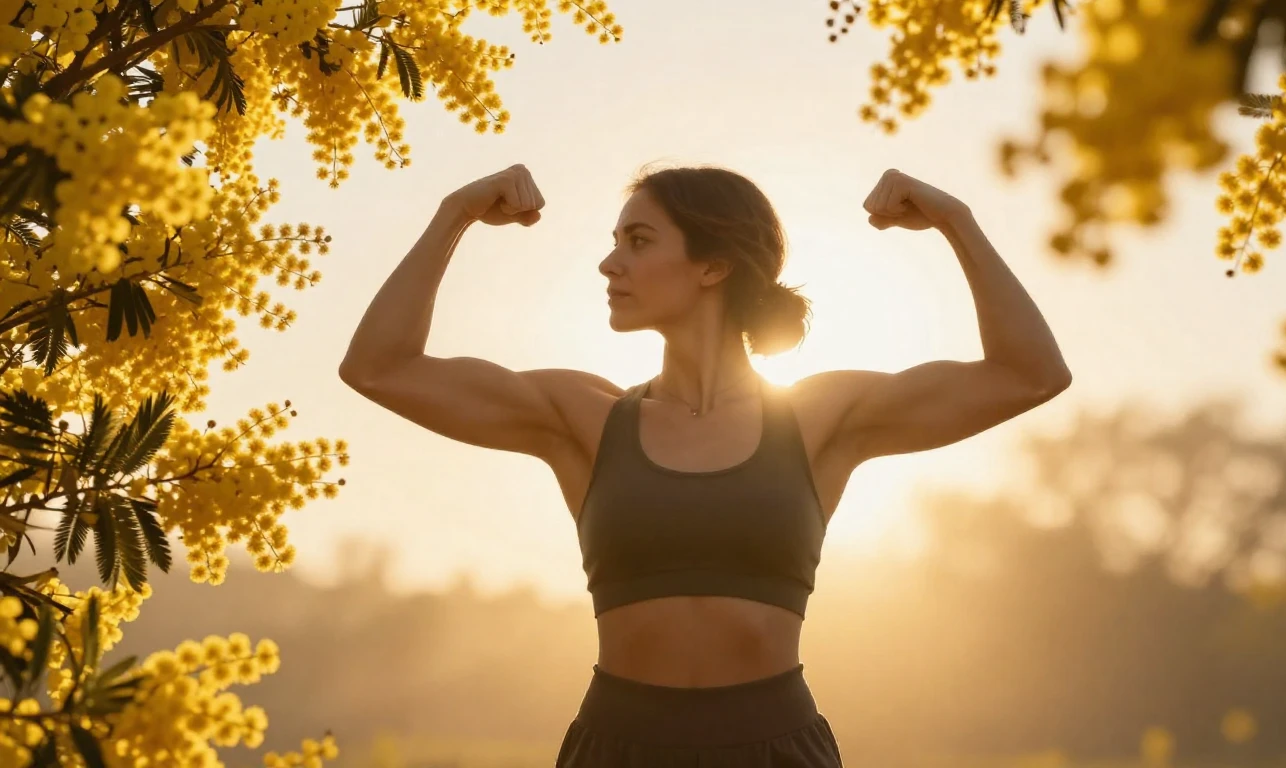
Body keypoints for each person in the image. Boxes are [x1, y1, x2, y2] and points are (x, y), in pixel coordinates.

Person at [338, 162, 1072, 767]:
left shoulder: (819, 421)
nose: (609, 261)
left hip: (777, 752)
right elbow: (380, 368)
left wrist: (955, 219)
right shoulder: (584, 419)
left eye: (638, 240)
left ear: (713, 265)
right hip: (615, 751)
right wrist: (454, 211)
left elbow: (1029, 374)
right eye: (615, 241)